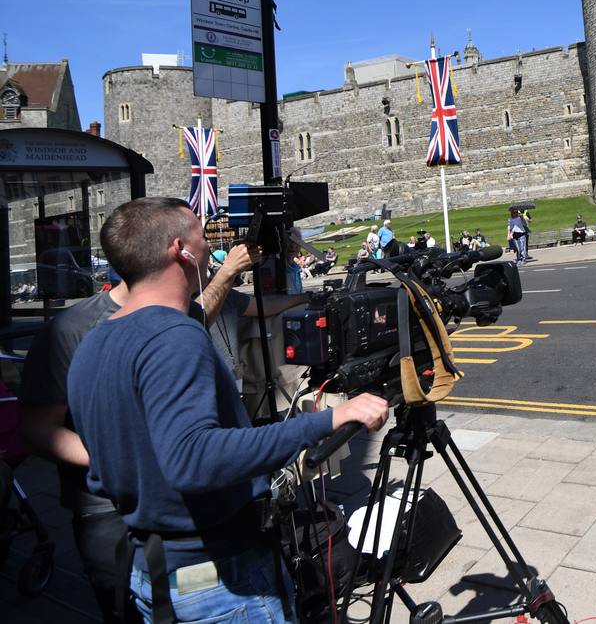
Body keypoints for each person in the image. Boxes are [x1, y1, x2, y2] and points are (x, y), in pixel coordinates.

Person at [65, 198, 389, 623]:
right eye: (201, 235)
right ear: (180, 249)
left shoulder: (94, 342)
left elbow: (103, 463)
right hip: (221, 578)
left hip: (155, 571)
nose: (210, 246)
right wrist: (327, 420)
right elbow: (194, 459)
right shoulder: (174, 337)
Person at [19, 239, 260, 622]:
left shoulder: (178, 319)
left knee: (194, 598)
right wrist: (121, 460)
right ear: (176, 252)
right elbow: (36, 430)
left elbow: (201, 316)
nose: (208, 256)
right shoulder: (72, 329)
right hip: (109, 514)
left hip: (185, 514)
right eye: (201, 243)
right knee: (125, 609)